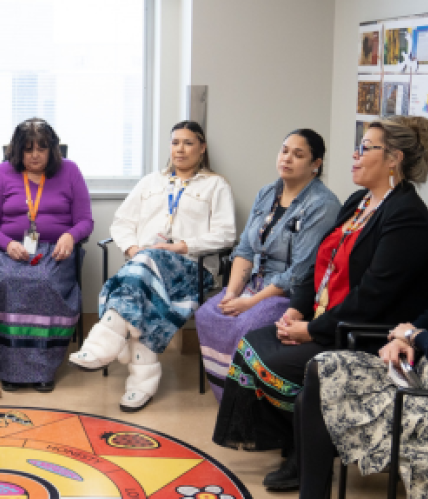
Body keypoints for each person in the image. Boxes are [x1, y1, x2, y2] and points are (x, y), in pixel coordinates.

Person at [212, 117, 428, 492]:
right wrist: (297, 308)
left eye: (365, 148)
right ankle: (299, 449)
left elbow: (372, 298)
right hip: (327, 317)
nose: (354, 155)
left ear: (393, 158)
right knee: (252, 346)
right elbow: (317, 266)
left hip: (360, 333)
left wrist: (311, 329)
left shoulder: (407, 215)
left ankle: (307, 453)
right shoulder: (360, 201)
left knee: (273, 360)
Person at [69, 120, 236, 412]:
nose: (179, 149)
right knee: (145, 267)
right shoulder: (150, 182)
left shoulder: (215, 185)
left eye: (187, 143)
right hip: (142, 268)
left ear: (202, 147)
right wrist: (134, 249)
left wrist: (181, 246)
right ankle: (141, 382)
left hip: (190, 268)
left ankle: (103, 342)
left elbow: (226, 233)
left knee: (145, 265)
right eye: (174, 142)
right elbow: (122, 223)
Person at [195, 130, 340, 401]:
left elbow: (300, 272)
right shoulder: (267, 193)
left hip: (288, 296)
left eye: (299, 155)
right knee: (208, 314)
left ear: (316, 164)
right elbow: (246, 249)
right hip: (252, 286)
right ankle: (226, 394)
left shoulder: (322, 204)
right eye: (284, 150)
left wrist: (250, 303)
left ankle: (246, 401)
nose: (287, 158)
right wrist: (231, 293)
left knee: (246, 325)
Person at [0, 118, 93, 393]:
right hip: (9, 249)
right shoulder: (2, 173)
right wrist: (7, 244)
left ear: (52, 150)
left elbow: (85, 221)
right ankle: (8, 369)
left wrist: (70, 236)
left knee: (43, 282)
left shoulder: (70, 171)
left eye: (41, 148)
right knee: (7, 280)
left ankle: (42, 369)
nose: (35, 155)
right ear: (17, 151)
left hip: (54, 250)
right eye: (28, 149)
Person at [297, 317, 428, 498]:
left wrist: (414, 335)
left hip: (422, 403)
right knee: (322, 367)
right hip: (416, 375)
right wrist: (402, 339)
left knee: (313, 395)